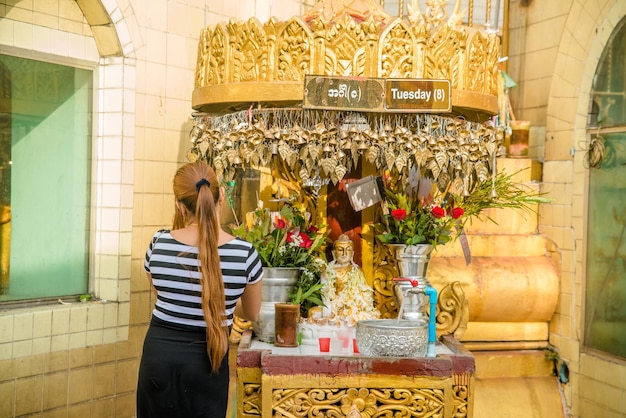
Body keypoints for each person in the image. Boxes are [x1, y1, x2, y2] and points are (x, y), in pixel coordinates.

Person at [137, 161, 263, 417]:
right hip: (209, 359)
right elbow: (250, 313)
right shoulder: (244, 253)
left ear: (179, 205)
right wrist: (224, 301)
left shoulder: (158, 244)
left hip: (158, 357)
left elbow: (165, 297)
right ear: (221, 196)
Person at [317, 233, 380, 326]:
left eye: (348, 250)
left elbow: (363, 294)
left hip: (352, 307)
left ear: (353, 254)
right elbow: (325, 292)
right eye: (340, 250)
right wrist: (327, 304)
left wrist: (352, 305)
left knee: (369, 317)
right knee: (313, 313)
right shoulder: (328, 271)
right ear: (333, 253)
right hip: (334, 307)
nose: (344, 253)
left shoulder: (357, 271)